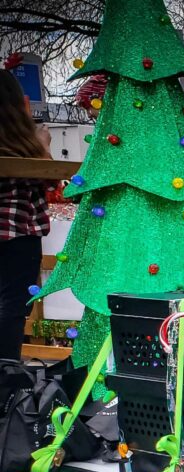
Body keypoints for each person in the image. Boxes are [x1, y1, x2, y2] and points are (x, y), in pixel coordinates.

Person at [0, 69, 51, 361]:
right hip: (18, 234)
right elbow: (46, 177)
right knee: (14, 306)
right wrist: (43, 144)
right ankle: (5, 376)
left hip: (15, 233)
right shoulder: (23, 145)